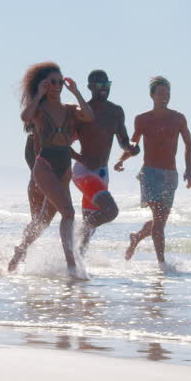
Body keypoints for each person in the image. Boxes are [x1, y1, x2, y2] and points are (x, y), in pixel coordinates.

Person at [7, 62, 95, 277]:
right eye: (52, 82)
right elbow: (25, 117)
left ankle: (19, 251)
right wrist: (38, 94)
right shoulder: (39, 109)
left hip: (64, 166)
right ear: (43, 84)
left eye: (60, 82)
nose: (57, 86)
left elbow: (90, 116)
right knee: (69, 212)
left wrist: (76, 91)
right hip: (45, 165)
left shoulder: (69, 109)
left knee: (43, 220)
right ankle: (72, 265)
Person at [114, 76, 191, 265]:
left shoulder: (178, 118)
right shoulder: (142, 119)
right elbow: (133, 145)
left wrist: (189, 171)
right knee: (158, 218)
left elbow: (189, 145)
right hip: (150, 173)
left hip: (170, 174)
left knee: (160, 222)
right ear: (152, 95)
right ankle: (162, 265)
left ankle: (136, 237)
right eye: (160, 93)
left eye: (167, 93)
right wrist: (121, 159)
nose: (164, 97)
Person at [71, 69, 139, 253]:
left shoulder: (116, 111)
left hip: (103, 173)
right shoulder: (82, 112)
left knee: (89, 231)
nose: (104, 89)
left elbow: (123, 141)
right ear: (90, 87)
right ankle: (73, 235)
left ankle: (76, 268)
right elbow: (62, 142)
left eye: (107, 85)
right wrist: (78, 157)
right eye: (99, 85)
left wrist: (132, 147)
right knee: (110, 211)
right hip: (83, 171)